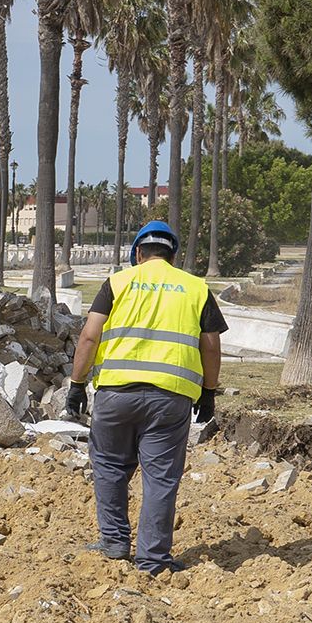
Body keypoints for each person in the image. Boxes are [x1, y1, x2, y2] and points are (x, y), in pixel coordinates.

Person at [63, 221, 225, 574]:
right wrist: (209, 391)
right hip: (171, 398)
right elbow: (211, 347)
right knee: (161, 477)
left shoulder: (118, 283)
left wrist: (76, 384)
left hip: (116, 394)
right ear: (172, 256)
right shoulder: (196, 288)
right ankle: (153, 559)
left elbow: (89, 337)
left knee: (108, 465)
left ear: (138, 253)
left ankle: (115, 541)